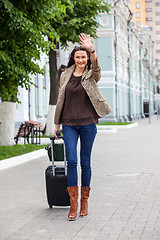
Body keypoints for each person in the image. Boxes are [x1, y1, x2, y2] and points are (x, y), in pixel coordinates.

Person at [54, 33, 112, 220]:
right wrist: (57, 123)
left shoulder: (91, 74)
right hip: (69, 124)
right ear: (74, 58)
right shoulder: (65, 75)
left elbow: (96, 68)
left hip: (88, 123)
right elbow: (60, 99)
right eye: (78, 57)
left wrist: (91, 50)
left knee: (85, 162)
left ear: (87, 59)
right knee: (72, 161)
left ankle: (85, 202)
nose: (81, 60)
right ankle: (73, 204)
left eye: (83, 57)